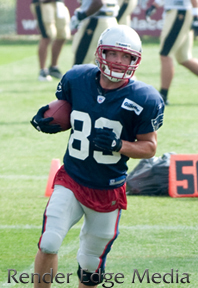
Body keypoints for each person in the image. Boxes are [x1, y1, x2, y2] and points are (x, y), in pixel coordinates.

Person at [30, 24, 164, 288]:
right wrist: (47, 118)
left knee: (91, 264)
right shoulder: (77, 78)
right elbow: (70, 113)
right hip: (71, 177)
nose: (118, 61)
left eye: (126, 56)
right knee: (49, 242)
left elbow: (149, 147)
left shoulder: (144, 97)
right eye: (113, 53)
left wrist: (119, 144)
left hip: (108, 188)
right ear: (101, 53)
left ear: (135, 61)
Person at [145, 0, 198, 105]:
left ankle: (163, 95)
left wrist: (196, 14)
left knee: (165, 54)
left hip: (179, 12)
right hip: (178, 11)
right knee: (184, 58)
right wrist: (156, 4)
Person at [30, 0, 71, 81]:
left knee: (63, 35)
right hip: (44, 3)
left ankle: (53, 67)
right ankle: (42, 70)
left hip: (59, 3)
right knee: (48, 35)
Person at [70, 0, 119, 65]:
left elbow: (98, 2)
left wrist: (83, 15)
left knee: (80, 62)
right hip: (110, 19)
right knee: (102, 64)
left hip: (96, 21)